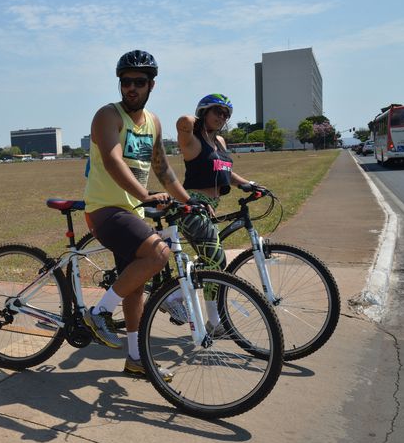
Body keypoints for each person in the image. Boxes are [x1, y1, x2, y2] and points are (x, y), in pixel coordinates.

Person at [83, 50, 194, 381]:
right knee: (159, 253)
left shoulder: (154, 123)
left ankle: (135, 359)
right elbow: (113, 160)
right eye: (126, 81)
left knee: (135, 286)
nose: (131, 88)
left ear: (152, 85)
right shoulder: (108, 116)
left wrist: (191, 202)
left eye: (139, 82)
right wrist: (144, 196)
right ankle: (100, 312)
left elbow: (162, 168)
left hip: (131, 212)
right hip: (104, 209)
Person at [169, 94, 267, 331]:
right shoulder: (191, 139)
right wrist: (201, 117)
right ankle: (174, 297)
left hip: (211, 207)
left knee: (213, 261)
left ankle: (213, 321)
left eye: (226, 114)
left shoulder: (220, 142)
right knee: (216, 260)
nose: (222, 117)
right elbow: (182, 121)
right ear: (204, 112)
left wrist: (248, 184)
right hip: (190, 205)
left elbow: (225, 171)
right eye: (217, 112)